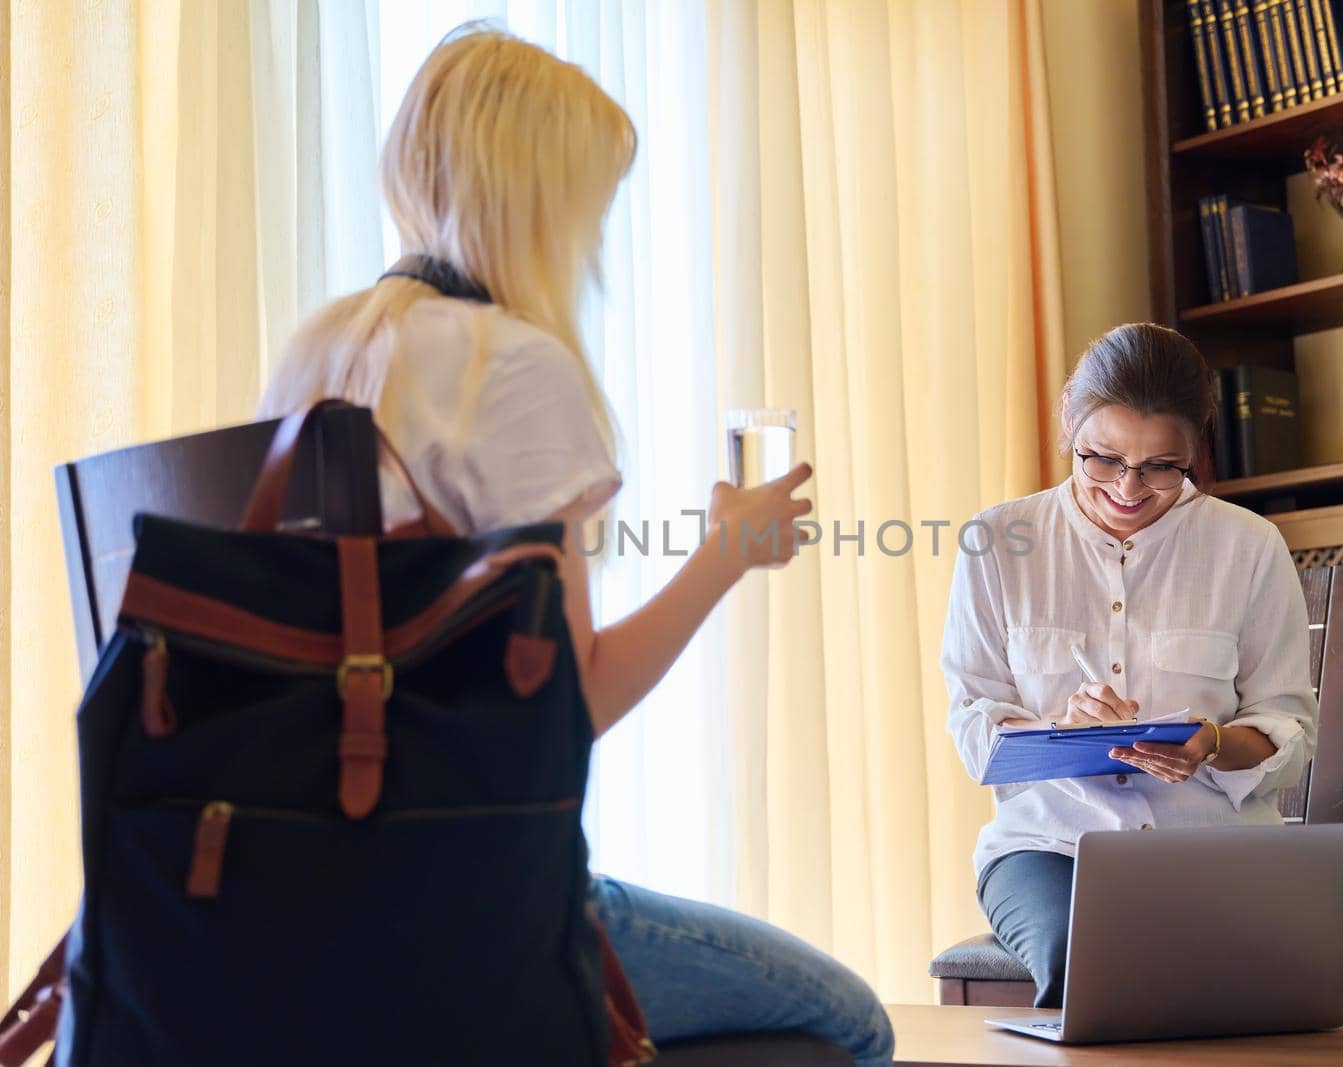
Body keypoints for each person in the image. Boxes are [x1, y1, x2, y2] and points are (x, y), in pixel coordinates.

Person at [259, 26, 893, 1065]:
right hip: (481, 898)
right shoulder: (508, 368)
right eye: (592, 204)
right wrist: (724, 553)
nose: (597, 236)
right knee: (851, 1018)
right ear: (538, 198)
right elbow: (569, 706)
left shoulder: (319, 350)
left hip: (317, 888)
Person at [941, 322, 1317, 1008]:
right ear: (1068, 424)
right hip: (1052, 845)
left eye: (1161, 466)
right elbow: (974, 729)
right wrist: (1060, 727)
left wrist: (1212, 743)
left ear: (1195, 450)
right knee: (1086, 956)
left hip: (1215, 846)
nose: (1129, 487)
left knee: (1267, 986)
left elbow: (1288, 729)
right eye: (1104, 458)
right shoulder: (996, 543)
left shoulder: (1250, 547)